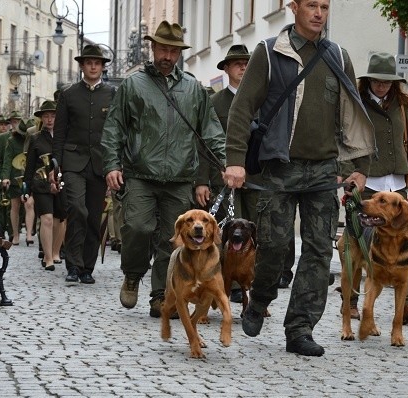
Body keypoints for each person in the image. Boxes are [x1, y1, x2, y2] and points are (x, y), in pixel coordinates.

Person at [223, 0, 375, 356]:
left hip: (324, 169)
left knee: (319, 251)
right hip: (280, 166)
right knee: (274, 246)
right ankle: (259, 298)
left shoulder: (338, 55)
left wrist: (360, 165)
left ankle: (300, 328)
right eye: (311, 5)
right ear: (293, 7)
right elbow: (242, 107)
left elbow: (353, 110)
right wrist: (234, 160)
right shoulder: (268, 52)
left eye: (324, 6)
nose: (319, 13)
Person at [102, 20, 226, 318]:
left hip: (180, 177)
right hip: (140, 173)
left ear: (179, 53)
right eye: (162, 49)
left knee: (171, 242)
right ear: (153, 48)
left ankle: (160, 295)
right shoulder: (134, 84)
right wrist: (111, 164)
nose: (167, 56)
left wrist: (225, 164)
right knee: (137, 228)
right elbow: (114, 127)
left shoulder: (193, 88)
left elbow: (210, 132)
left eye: (173, 50)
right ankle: (132, 274)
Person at [340, 51, 408, 324]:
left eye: (387, 81)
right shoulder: (356, 103)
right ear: (368, 80)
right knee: (359, 241)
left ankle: (407, 305)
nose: (382, 85)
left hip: (397, 184)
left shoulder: (401, 105)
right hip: (366, 182)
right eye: (377, 80)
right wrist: (348, 175)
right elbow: (343, 140)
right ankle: (353, 301)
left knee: (405, 240)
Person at [51, 44, 116, 284]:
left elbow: (116, 132)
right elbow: (59, 132)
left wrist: (115, 164)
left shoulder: (111, 94)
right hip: (72, 161)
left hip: (100, 163)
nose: (92, 66)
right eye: (88, 62)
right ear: (82, 66)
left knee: (93, 216)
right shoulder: (69, 94)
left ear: (102, 67)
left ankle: (87, 268)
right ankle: (73, 264)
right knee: (77, 209)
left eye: (97, 63)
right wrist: (55, 164)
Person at [198, 44, 252, 304]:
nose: (243, 67)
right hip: (220, 180)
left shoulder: (259, 100)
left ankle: (247, 285)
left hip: (255, 180)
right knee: (224, 233)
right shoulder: (215, 103)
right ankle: (221, 283)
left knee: (249, 231)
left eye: (247, 63)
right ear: (227, 69)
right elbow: (204, 144)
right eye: (237, 63)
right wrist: (202, 180)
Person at [25, 101, 67, 271]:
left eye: (53, 116)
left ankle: (56, 252)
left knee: (61, 219)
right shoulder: (35, 138)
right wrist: (26, 189)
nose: (49, 120)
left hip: (61, 182)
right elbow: (29, 166)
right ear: (41, 118)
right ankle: (48, 257)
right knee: (47, 219)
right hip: (41, 183)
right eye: (46, 116)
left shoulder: (64, 136)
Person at [1, 117, 35, 246]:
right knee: (15, 206)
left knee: (29, 204)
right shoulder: (12, 141)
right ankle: (15, 234)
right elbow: (7, 161)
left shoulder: (35, 139)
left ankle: (29, 234)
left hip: (31, 177)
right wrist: (5, 177)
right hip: (15, 177)